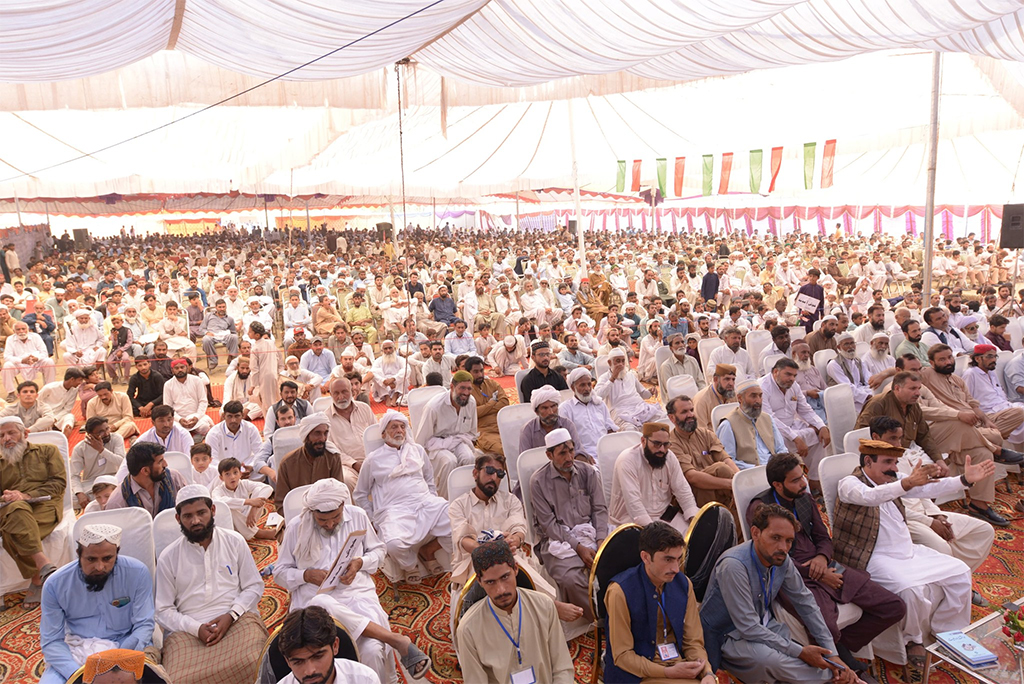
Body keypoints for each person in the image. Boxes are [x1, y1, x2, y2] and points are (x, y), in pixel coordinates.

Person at [834, 439, 994, 664]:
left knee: (960, 572)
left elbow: (929, 487)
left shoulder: (894, 479)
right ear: (868, 461)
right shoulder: (850, 484)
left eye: (896, 462)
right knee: (910, 590)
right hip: (873, 557)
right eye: (888, 462)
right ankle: (914, 641)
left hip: (908, 552)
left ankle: (947, 633)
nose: (895, 468)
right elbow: (871, 497)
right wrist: (907, 483)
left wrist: (964, 479)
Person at [747, 454, 905, 679]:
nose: (803, 483)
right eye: (795, 480)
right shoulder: (760, 508)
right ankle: (837, 670)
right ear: (777, 485)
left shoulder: (804, 497)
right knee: (826, 627)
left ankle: (842, 647)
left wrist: (821, 558)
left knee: (894, 606)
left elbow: (823, 536)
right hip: (791, 576)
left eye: (802, 476)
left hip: (823, 564)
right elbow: (770, 554)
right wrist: (817, 573)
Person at [276, 478, 432, 681]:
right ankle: (394, 639)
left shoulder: (357, 516)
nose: (330, 524)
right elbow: (279, 573)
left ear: (343, 506)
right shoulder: (297, 526)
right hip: (312, 600)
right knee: (320, 602)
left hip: (356, 596)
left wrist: (360, 563)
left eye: (335, 517)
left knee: (373, 650)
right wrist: (305, 575)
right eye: (323, 521)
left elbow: (378, 551)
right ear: (312, 513)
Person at [700, 504, 857, 684]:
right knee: (771, 660)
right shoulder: (734, 566)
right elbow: (748, 627)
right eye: (776, 537)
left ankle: (835, 671)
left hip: (764, 625)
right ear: (755, 533)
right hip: (728, 635)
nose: (783, 547)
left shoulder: (782, 558)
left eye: (789, 541)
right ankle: (836, 677)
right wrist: (801, 652)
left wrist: (833, 652)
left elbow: (805, 602)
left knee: (795, 654)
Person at [869, 416, 995, 606]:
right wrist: (930, 522)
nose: (899, 443)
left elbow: (923, 490)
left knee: (984, 531)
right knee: (943, 548)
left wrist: (938, 513)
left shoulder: (901, 457)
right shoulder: (872, 465)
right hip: (907, 521)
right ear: (875, 436)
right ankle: (957, 593)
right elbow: (892, 506)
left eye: (900, 438)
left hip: (928, 513)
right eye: (893, 438)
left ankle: (954, 583)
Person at [155, 484, 268, 684]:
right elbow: (163, 610)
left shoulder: (235, 541)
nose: (196, 521)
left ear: (213, 510)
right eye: (188, 516)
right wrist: (195, 628)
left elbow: (254, 586)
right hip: (187, 630)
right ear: (178, 519)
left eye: (201, 513)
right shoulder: (168, 557)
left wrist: (231, 615)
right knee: (178, 680)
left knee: (254, 662)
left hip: (236, 618)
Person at [39, 524, 155, 684]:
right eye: (91, 559)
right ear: (79, 554)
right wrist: (77, 674)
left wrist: (119, 659)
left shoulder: (137, 573)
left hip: (126, 644)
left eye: (107, 559)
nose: (100, 567)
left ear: (117, 553)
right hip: (77, 649)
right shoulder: (55, 584)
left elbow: (144, 625)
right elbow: (52, 640)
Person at [604, 521, 716, 684]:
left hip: (676, 664)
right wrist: (667, 672)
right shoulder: (619, 591)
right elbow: (622, 656)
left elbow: (693, 641)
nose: (676, 568)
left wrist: (707, 673)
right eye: (668, 560)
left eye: (678, 559)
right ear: (646, 557)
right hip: (637, 674)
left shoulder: (683, 584)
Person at [455, 540, 575, 684]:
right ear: (480, 582)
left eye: (505, 577)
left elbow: (562, 668)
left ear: (515, 569)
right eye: (490, 582)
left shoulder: (544, 606)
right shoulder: (468, 629)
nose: (501, 590)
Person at [354, 411, 452, 578]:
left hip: (425, 502)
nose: (399, 430)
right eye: (394, 427)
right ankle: (410, 564)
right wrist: (373, 520)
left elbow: (428, 478)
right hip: (394, 510)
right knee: (392, 544)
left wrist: (433, 498)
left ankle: (428, 551)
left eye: (402, 426)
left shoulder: (418, 451)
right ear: (384, 433)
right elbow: (360, 493)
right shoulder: (373, 459)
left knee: (458, 520)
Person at [530, 428, 607, 620]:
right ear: (549, 455)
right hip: (558, 541)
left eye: (571, 451)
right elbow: (548, 525)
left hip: (592, 533)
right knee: (571, 579)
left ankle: (620, 610)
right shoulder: (538, 482)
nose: (569, 457)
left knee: (619, 564)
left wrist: (601, 541)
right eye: (562, 453)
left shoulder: (587, 472)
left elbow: (600, 509)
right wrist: (578, 547)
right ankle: (600, 619)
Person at [0, 415, 63, 607]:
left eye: (11, 432)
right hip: (8, 508)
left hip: (44, 506)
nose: (6, 439)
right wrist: (7, 498)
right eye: (1, 435)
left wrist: (26, 496)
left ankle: (36, 579)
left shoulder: (47, 451)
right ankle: (43, 565)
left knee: (11, 527)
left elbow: (58, 483)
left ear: (25, 433)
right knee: (15, 509)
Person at [609, 421, 699, 534]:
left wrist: (693, 518)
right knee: (667, 545)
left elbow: (683, 490)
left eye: (666, 445)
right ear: (643, 441)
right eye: (656, 444)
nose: (662, 449)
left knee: (696, 535)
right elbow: (634, 504)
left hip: (664, 515)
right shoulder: (627, 460)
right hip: (631, 521)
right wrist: (655, 532)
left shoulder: (669, 457)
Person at [760, 357, 831, 483]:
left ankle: (814, 480)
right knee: (793, 437)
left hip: (792, 425)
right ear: (775, 372)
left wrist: (822, 426)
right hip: (772, 432)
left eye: (794, 375)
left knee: (819, 435)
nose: (792, 379)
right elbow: (770, 419)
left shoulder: (794, 386)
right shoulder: (763, 387)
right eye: (788, 374)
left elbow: (805, 409)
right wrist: (796, 438)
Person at [273, 606, 382, 684]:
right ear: (287, 661)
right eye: (298, 662)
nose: (310, 671)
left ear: (335, 646)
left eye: (318, 656)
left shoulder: (365, 680)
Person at [666, 395, 738, 508]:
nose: (690, 415)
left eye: (691, 410)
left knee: (724, 468)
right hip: (693, 495)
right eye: (684, 412)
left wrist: (739, 480)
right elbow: (692, 477)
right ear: (672, 418)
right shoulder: (670, 443)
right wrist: (731, 484)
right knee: (720, 469)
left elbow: (726, 459)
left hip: (719, 489)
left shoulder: (705, 434)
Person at [415, 370, 478, 498]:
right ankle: (444, 501)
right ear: (452, 387)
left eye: (469, 389)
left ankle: (466, 498)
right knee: (449, 461)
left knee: (469, 458)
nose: (466, 393)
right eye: (462, 388)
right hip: (435, 444)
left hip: (458, 440)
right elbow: (421, 440)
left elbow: (472, 431)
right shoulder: (434, 406)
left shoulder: (471, 402)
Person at [275, 412, 347, 508]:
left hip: (328, 515)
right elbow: (281, 503)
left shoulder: (333, 458)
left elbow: (339, 494)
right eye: (317, 433)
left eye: (325, 433)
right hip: (298, 516)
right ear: (306, 435)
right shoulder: (287, 463)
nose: (322, 438)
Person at [962, 343, 1024, 444]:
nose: (994, 360)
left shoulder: (991, 372)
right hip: (989, 414)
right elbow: (966, 401)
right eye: (989, 356)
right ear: (977, 359)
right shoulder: (971, 374)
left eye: (995, 356)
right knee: (1020, 412)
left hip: (1006, 408)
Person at [105, 441, 187, 517]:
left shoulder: (174, 477)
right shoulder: (117, 502)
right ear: (145, 471)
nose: (165, 464)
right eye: (160, 462)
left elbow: (191, 504)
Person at [717, 379, 786, 468]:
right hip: (749, 474)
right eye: (753, 396)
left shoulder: (767, 418)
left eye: (760, 396)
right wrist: (755, 469)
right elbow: (728, 460)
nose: (758, 400)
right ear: (740, 398)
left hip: (775, 469)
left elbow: (781, 448)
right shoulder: (728, 424)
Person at [595, 347, 668, 430]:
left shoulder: (630, 375)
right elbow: (597, 396)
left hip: (640, 407)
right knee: (630, 430)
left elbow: (643, 394)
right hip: (620, 411)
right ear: (609, 362)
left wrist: (650, 392)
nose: (621, 364)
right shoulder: (604, 378)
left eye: (623, 361)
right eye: (617, 361)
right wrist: (612, 378)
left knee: (664, 419)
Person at [559, 367, 617, 462]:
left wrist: (615, 448)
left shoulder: (600, 404)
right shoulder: (565, 409)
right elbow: (566, 440)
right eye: (582, 385)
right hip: (585, 455)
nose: (587, 389)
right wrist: (579, 455)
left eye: (589, 384)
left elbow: (610, 429)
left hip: (607, 450)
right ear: (573, 388)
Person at [205, 400, 270, 481]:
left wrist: (251, 467)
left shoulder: (250, 429)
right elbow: (212, 460)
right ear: (224, 416)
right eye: (229, 416)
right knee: (211, 476)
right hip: (224, 472)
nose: (233, 420)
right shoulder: (214, 433)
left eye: (237, 416)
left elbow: (260, 453)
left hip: (247, 470)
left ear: (242, 415)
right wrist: (231, 474)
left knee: (264, 469)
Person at [70, 416, 126, 510]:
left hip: (114, 478)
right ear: (90, 434)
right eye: (101, 432)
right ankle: (106, 499)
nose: (106, 433)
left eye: (107, 428)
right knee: (70, 499)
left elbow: (122, 462)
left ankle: (100, 500)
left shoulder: (116, 438)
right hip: (92, 483)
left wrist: (102, 450)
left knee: (129, 490)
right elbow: (74, 475)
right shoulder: (80, 448)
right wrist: (80, 494)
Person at [465, 355, 509, 456]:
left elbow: (504, 403)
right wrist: (492, 403)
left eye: (481, 370)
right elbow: (473, 413)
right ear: (468, 373)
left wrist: (484, 409)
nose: (480, 374)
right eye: (476, 372)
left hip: (503, 426)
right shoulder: (465, 391)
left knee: (519, 445)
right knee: (504, 451)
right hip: (484, 432)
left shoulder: (492, 384)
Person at [2, 320, 55, 400]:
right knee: (7, 366)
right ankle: (11, 393)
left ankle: (49, 389)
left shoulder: (35, 336)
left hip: (36, 362)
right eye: (18, 329)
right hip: (19, 364)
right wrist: (21, 360)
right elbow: (7, 356)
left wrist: (36, 358)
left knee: (49, 361)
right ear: (14, 331)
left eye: (23, 329)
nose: (21, 331)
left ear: (28, 329)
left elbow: (44, 353)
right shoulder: (10, 339)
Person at [162, 357, 213, 439]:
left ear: (187, 368)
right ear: (172, 370)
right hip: (178, 418)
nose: (180, 370)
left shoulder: (197, 380)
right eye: (176, 368)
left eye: (182, 367)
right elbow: (168, 407)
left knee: (204, 427)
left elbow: (203, 401)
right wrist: (179, 419)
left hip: (196, 416)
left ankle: (191, 435)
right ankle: (192, 436)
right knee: (173, 430)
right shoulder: (168, 385)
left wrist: (197, 417)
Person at [826, 333, 872, 411]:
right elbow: (847, 387)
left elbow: (868, 379)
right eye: (846, 344)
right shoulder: (834, 364)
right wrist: (867, 397)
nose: (850, 347)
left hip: (862, 391)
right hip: (845, 397)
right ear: (839, 347)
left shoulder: (857, 360)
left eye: (852, 343)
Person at [39, 367, 86, 434]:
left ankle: (64, 436)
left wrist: (55, 419)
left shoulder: (74, 390)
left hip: (59, 417)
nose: (81, 383)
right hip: (44, 415)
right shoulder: (49, 388)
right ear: (72, 379)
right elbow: (36, 402)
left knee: (70, 417)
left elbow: (67, 409)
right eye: (80, 380)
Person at [658, 332, 705, 400]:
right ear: (671, 348)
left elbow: (701, 383)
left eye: (682, 342)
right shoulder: (666, 366)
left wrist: (701, 397)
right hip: (677, 402)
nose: (681, 345)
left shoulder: (692, 361)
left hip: (696, 398)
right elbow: (670, 391)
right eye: (677, 343)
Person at [197, 298, 239, 370]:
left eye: (223, 307)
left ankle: (232, 357)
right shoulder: (209, 316)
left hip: (225, 336)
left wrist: (229, 335)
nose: (222, 309)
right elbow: (201, 329)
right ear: (216, 307)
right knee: (206, 339)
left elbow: (233, 331)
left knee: (234, 337)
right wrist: (207, 332)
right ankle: (213, 360)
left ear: (226, 307)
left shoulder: (230, 319)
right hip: (212, 335)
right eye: (220, 307)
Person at [692, 363, 735, 430]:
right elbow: (701, 432)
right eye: (727, 379)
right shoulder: (701, 400)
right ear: (715, 379)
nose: (731, 384)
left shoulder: (733, 395)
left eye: (733, 379)